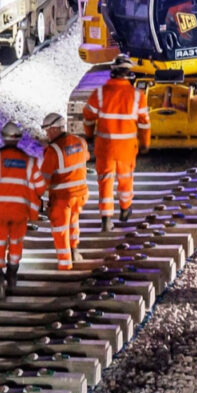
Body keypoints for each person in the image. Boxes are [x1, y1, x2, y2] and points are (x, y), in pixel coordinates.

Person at [0, 124, 43, 294]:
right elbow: (41, 186)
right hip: (20, 211)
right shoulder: (28, 161)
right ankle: (12, 277)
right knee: (15, 243)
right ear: (19, 138)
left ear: (3, 137)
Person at [84, 69, 150, 228]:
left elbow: (88, 117)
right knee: (125, 179)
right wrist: (144, 143)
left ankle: (106, 219)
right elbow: (144, 123)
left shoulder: (100, 93)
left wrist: (89, 135)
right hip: (126, 148)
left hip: (105, 147)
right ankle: (125, 209)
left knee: (105, 181)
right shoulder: (137, 96)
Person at [40, 113, 92, 271]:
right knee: (73, 222)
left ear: (55, 129)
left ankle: (65, 267)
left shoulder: (53, 150)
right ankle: (75, 251)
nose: (47, 134)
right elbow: (86, 157)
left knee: (60, 230)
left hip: (63, 198)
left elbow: (44, 179)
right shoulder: (81, 142)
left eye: (48, 130)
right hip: (81, 194)